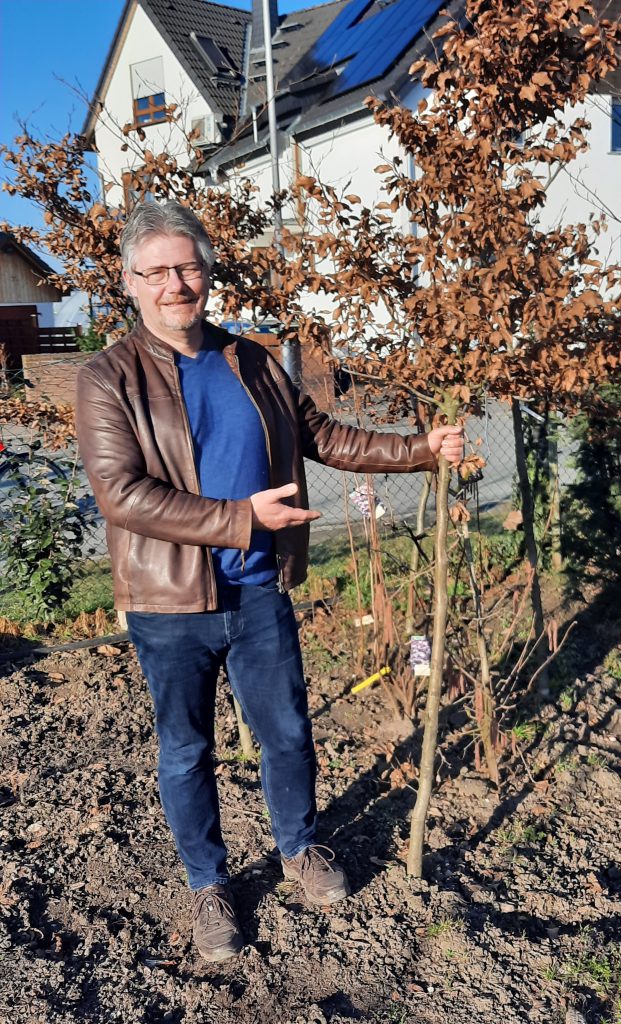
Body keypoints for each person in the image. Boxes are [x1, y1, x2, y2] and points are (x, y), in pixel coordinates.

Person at [76, 201, 463, 963]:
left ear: (210, 274)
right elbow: (120, 494)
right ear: (130, 283)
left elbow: (322, 434)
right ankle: (208, 886)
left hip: (258, 590)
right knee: (185, 750)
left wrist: (420, 448)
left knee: (288, 732)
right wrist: (239, 519)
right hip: (170, 602)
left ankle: (300, 848)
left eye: (188, 268)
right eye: (156, 272)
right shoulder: (105, 378)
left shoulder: (250, 359)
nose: (175, 284)